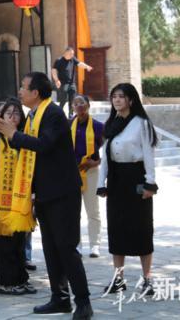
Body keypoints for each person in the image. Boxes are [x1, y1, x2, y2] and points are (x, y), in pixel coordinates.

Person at [0, 72, 92, 319]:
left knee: (67, 248)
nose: (20, 91)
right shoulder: (34, 115)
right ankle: (60, 298)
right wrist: (10, 134)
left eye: (23, 87)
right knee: (51, 248)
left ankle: (83, 302)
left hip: (63, 192)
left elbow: (44, 145)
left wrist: (13, 134)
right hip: (45, 192)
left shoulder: (53, 114)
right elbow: (28, 149)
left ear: (35, 92)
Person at [97, 83, 158, 298]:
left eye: (121, 97)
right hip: (116, 180)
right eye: (114, 96)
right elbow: (106, 156)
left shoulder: (142, 123)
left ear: (131, 100)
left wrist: (150, 184)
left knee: (142, 228)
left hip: (136, 178)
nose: (117, 100)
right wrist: (101, 182)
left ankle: (147, 279)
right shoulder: (112, 123)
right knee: (117, 229)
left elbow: (149, 154)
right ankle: (118, 279)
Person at [0, 98, 36, 296]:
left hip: (21, 198)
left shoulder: (23, 139)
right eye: (9, 113)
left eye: (16, 113)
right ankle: (7, 282)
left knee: (19, 240)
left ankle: (20, 278)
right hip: (2, 199)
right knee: (4, 242)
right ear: (1, 118)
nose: (13, 117)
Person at [71, 95, 104, 258]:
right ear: (72, 107)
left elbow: (109, 149)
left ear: (88, 105)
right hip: (72, 173)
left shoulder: (98, 126)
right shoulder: (68, 124)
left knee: (93, 210)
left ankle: (94, 245)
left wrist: (96, 162)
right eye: (76, 103)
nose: (79, 106)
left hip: (91, 171)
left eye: (82, 103)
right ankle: (76, 244)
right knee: (73, 211)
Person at [51, 47, 93, 116]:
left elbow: (79, 63)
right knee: (63, 100)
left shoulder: (73, 59)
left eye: (73, 54)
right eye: (71, 54)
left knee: (72, 100)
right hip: (63, 84)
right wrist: (56, 80)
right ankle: (58, 113)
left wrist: (87, 67)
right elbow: (54, 70)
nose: (72, 55)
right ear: (66, 53)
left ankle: (70, 114)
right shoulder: (59, 60)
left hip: (72, 83)